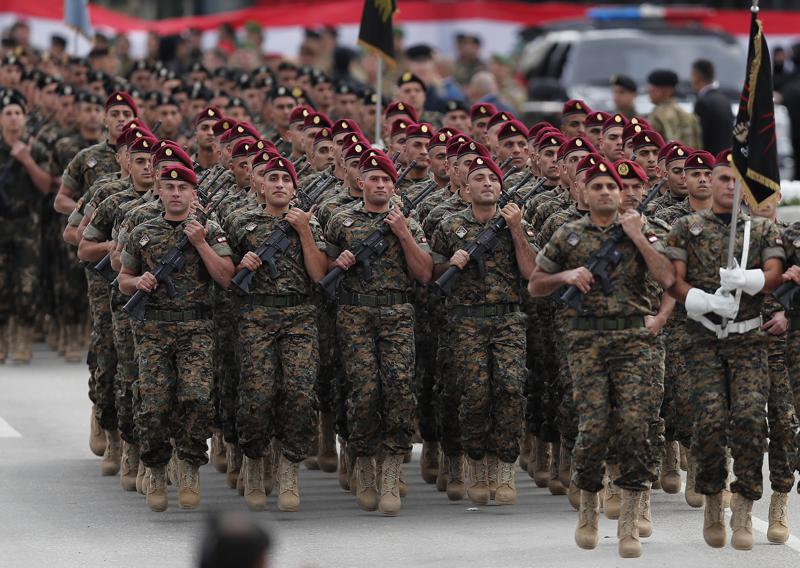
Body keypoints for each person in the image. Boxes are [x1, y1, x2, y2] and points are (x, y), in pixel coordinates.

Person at [530, 158, 675, 558]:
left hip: (634, 342)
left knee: (636, 425)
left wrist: (639, 239)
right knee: (593, 429)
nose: (608, 192)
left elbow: (669, 279)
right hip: (588, 341)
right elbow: (535, 285)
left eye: (613, 187)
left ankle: (629, 521)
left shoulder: (644, 230)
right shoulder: (568, 234)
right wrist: (566, 276)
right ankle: (590, 509)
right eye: (598, 187)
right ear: (585, 194)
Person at [665, 150, 785, 550]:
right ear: (712, 183)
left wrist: (750, 278)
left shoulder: (762, 231)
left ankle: (744, 506)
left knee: (751, 420)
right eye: (723, 179)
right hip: (705, 339)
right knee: (711, 422)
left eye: (736, 181)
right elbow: (673, 280)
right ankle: (714, 499)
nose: (729, 187)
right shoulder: (685, 227)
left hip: (749, 340)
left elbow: (774, 273)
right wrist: (699, 299)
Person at [119, 164, 235, 512]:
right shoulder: (143, 231)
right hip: (153, 329)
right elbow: (123, 278)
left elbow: (226, 277)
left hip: (196, 329)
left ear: (192, 194)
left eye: (182, 187)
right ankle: (155, 469)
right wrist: (136, 283)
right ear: (158, 191)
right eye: (168, 186)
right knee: (154, 404)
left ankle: (188, 466)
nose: (174, 193)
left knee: (197, 399)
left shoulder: (210, 231)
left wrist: (200, 244)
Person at [324, 151, 432, 516]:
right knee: (364, 389)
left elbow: (424, 272)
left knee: (399, 388)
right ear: (361, 183)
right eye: (374, 179)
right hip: (355, 312)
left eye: (387, 180)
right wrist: (336, 263)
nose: (381, 185)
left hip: (397, 312)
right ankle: (365, 464)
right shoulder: (341, 219)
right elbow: (321, 267)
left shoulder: (408, 223)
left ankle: (391, 468)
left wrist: (402, 233)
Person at [431, 156, 536, 506]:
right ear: (466, 188)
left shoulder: (515, 223)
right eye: (479, 178)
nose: (488, 183)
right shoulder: (449, 225)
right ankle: (475, 463)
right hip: (466, 321)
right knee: (474, 394)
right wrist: (452, 263)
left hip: (507, 320)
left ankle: (504, 467)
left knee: (509, 389)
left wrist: (518, 228)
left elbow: (530, 271)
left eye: (493, 178)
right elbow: (430, 274)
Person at [228, 156, 327, 512]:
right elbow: (226, 276)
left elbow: (319, 274)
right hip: (256, 314)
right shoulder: (240, 221)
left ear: (295, 187)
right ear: (260, 185)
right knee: (257, 393)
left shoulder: (309, 223)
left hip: (298, 315)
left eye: (287, 179)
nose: (280, 184)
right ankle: (254, 463)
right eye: (273, 178)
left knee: (299, 393)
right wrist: (242, 265)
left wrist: (303, 232)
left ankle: (288, 468)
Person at [0, 89, 52, 363]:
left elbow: (45, 186)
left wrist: (26, 160)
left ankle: (21, 337)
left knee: (27, 285)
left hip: (27, 228)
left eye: (18, 113)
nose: (13, 119)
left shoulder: (37, 148)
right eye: (7, 113)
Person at [647, 69, 702, 150]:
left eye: (652, 88)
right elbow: (698, 148)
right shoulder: (690, 117)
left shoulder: (657, 116)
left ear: (664, 91)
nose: (648, 90)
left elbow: (651, 149)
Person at [691, 60, 734, 155]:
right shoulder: (724, 99)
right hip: (724, 159)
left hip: (709, 160)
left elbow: (699, 138)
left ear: (697, 76)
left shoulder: (703, 102)